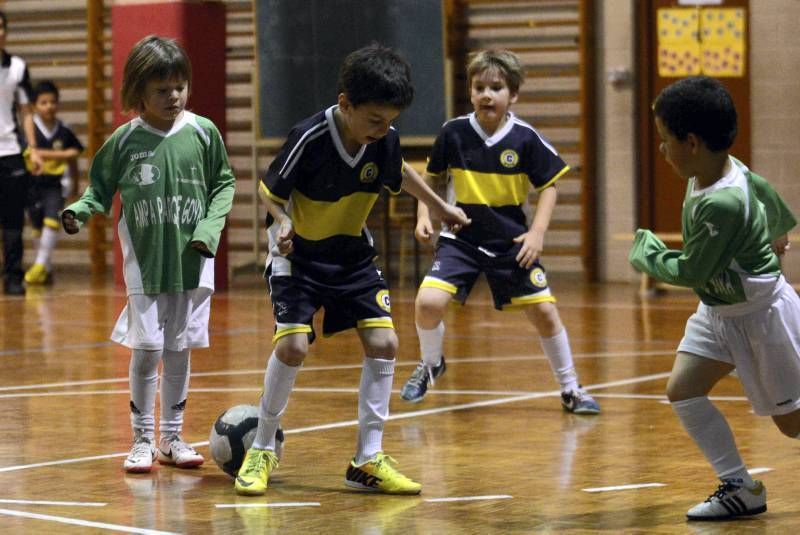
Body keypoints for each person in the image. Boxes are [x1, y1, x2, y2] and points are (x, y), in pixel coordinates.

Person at [234, 43, 470, 496]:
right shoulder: (310, 137)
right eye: (375, 120)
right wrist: (282, 222)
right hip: (298, 256)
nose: (383, 131)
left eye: (390, 122)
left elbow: (400, 172)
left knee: (385, 342)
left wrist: (439, 207)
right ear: (345, 104)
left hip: (351, 257)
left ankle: (367, 458)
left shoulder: (384, 141)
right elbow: (269, 192)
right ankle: (262, 446)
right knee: (294, 347)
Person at [61, 35, 235, 474]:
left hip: (193, 263)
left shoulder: (203, 132)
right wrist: (78, 212)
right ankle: (140, 438)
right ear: (138, 91)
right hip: (146, 264)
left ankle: (171, 437)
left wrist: (209, 229)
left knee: (179, 349)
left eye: (180, 86)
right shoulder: (124, 141)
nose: (174, 96)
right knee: (149, 348)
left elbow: (224, 185)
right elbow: (98, 190)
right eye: (162, 89)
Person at [629, 76, 800, 521]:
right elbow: (761, 187)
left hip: (760, 315)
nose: (661, 151)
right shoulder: (714, 168)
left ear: (691, 142)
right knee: (683, 389)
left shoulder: (721, 201)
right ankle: (741, 488)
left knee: (791, 424)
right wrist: (780, 225)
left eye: (666, 141)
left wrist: (646, 251)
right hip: (720, 308)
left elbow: (693, 271)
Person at [398, 50, 600, 416]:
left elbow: (550, 187)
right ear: (471, 93)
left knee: (545, 313)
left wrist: (537, 233)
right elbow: (430, 180)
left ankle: (571, 388)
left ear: (514, 95)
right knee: (428, 303)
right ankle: (430, 366)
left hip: (510, 242)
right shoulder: (453, 132)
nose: (487, 94)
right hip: (460, 238)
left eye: (496, 87)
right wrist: (423, 215)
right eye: (479, 87)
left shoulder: (525, 139)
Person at [24, 80, 84, 285]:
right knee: (37, 225)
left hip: (54, 185)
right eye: (44, 102)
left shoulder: (64, 130)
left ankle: (39, 264)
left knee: (52, 219)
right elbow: (30, 153)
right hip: (32, 184)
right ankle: (46, 268)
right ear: (34, 106)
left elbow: (74, 153)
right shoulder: (29, 130)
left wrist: (75, 184)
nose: (49, 106)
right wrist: (60, 154)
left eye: (53, 102)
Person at [0, 10, 43, 295]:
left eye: (1, 26)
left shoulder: (17, 67)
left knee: (13, 217)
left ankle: (13, 276)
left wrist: (34, 148)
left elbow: (26, 111)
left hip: (11, 151)